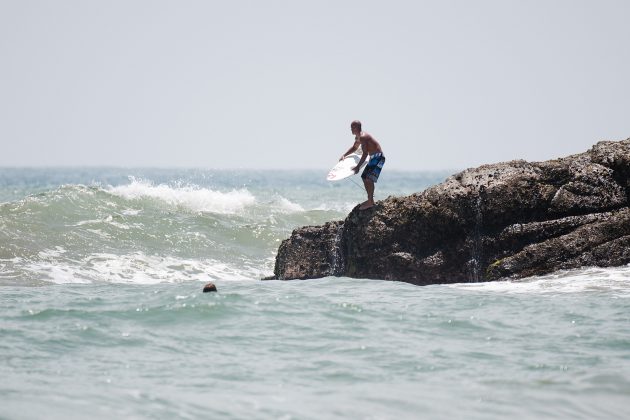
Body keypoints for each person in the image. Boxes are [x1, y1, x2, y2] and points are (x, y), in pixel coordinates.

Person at [339, 120, 386, 210]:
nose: (350, 129)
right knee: (365, 177)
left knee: (368, 178)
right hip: (374, 157)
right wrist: (344, 155)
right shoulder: (358, 138)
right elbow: (354, 148)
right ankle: (370, 200)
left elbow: (365, 153)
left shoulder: (363, 137)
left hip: (378, 157)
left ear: (356, 128)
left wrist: (357, 167)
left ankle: (370, 201)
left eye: (352, 127)